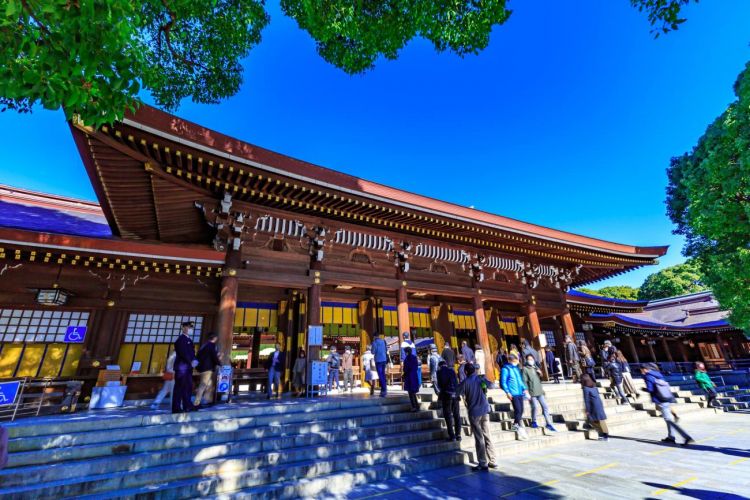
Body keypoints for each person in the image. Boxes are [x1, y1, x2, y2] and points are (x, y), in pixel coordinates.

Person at [457, 362, 497, 471]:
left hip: (474, 412)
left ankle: (482, 462)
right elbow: (492, 385)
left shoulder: (465, 382)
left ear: (465, 372)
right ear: (474, 370)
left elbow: (456, 392)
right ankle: (493, 460)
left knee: (479, 438)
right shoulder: (481, 379)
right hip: (484, 410)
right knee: (487, 435)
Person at [641, 363, 694, 445]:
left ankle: (686, 436)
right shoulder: (658, 375)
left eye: (641, 370)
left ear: (644, 369)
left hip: (660, 399)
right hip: (666, 397)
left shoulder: (648, 376)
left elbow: (650, 389)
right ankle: (671, 437)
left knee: (669, 420)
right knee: (668, 419)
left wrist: (644, 389)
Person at [522, 354, 557, 432]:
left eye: (532, 359)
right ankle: (533, 421)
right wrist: (526, 391)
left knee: (545, 406)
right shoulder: (525, 369)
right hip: (532, 391)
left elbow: (540, 377)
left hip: (539, 391)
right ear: (526, 360)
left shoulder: (535, 367)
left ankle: (548, 423)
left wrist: (540, 373)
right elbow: (524, 381)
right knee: (534, 407)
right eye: (529, 359)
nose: (531, 360)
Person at [501, 352, 530, 439]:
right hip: (513, 393)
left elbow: (520, 380)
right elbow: (503, 382)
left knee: (521, 410)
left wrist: (524, 389)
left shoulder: (516, 369)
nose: (516, 362)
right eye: (514, 360)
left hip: (519, 392)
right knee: (517, 409)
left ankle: (515, 424)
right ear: (510, 360)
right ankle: (516, 425)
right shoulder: (505, 369)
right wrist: (507, 392)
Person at [172, 321, 198, 414]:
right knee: (179, 388)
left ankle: (187, 405)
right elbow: (183, 353)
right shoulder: (181, 340)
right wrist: (191, 361)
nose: (190, 329)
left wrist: (195, 360)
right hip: (182, 367)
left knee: (188, 387)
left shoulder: (189, 340)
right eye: (188, 327)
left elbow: (192, 353)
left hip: (188, 368)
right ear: (183, 328)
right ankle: (176, 407)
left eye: (191, 328)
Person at [436, 360, 461, 441]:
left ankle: (452, 435)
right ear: (446, 365)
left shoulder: (439, 372)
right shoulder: (452, 370)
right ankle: (458, 434)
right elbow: (456, 382)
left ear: (440, 366)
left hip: (446, 395)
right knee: (456, 415)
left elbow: (440, 385)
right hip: (455, 395)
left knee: (448, 415)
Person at [194, 333, 221, 407]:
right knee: (203, 385)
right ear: (214, 338)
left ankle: (208, 400)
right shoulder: (212, 346)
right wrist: (219, 363)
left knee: (209, 384)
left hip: (202, 368)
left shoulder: (204, 346)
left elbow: (198, 356)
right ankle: (197, 402)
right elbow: (214, 356)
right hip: (207, 368)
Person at [581, 374, 609, 441]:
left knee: (594, 421)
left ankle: (602, 435)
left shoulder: (585, 389)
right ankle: (604, 435)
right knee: (600, 420)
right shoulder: (593, 386)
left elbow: (587, 400)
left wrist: (587, 410)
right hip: (598, 405)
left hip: (593, 406)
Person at [402, 346, 420, 411]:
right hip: (414, 376)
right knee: (413, 392)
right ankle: (417, 406)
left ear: (406, 352)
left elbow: (405, 368)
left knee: (411, 393)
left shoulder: (407, 359)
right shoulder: (414, 357)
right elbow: (416, 367)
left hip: (409, 377)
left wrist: (404, 374)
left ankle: (414, 407)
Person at [371, 332, 388, 396]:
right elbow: (386, 350)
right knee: (383, 375)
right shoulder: (383, 341)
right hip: (384, 359)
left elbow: (373, 352)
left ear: (374, 336)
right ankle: (383, 389)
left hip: (378, 360)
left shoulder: (374, 342)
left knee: (380, 375)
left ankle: (384, 390)